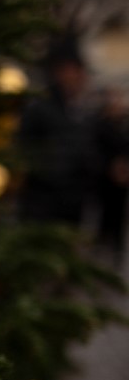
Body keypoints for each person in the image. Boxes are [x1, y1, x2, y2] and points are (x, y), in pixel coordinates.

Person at [16, 37, 97, 226]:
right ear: (62, 72)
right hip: (44, 206)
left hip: (72, 204)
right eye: (77, 72)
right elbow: (26, 150)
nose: (81, 78)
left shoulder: (79, 110)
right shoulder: (39, 108)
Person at [92, 87, 129, 265]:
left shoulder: (124, 125)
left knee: (119, 216)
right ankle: (101, 250)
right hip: (103, 180)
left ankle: (116, 250)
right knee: (103, 216)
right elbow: (93, 151)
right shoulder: (99, 125)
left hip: (122, 182)